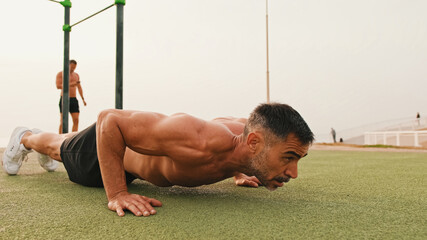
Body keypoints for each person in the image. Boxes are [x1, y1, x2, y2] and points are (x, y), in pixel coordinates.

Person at [2, 103, 314, 217]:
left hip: (140, 167)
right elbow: (110, 120)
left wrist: (239, 171)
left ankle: (37, 140)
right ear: (255, 143)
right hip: (110, 156)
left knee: (59, 147)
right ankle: (26, 136)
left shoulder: (244, 141)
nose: (294, 172)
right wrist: (117, 193)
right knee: (59, 146)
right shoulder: (198, 138)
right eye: (289, 158)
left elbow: (234, 121)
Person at [56, 59, 87, 133]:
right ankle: (60, 136)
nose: (73, 69)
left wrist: (83, 99)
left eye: (74, 67)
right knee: (63, 120)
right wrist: (71, 84)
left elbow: (79, 87)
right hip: (64, 99)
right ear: (68, 65)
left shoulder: (76, 75)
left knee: (76, 119)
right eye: (72, 67)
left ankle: (73, 136)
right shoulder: (61, 74)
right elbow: (58, 86)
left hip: (73, 99)